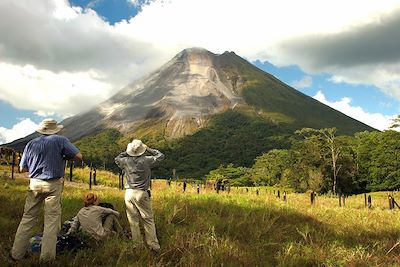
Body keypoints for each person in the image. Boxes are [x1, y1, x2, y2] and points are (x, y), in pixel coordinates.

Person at [11, 119, 82, 262]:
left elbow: (22, 169)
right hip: (53, 184)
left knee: (28, 218)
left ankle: (16, 254)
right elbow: (79, 156)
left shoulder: (31, 144)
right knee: (51, 221)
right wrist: (63, 157)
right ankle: (47, 258)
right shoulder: (60, 140)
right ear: (55, 129)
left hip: (34, 184)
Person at [115, 139, 164, 252]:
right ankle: (153, 246)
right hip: (141, 192)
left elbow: (116, 159)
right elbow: (160, 156)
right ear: (142, 150)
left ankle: (137, 245)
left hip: (128, 193)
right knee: (148, 219)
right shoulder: (147, 160)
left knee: (133, 220)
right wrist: (149, 149)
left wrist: (126, 152)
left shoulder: (125, 161)